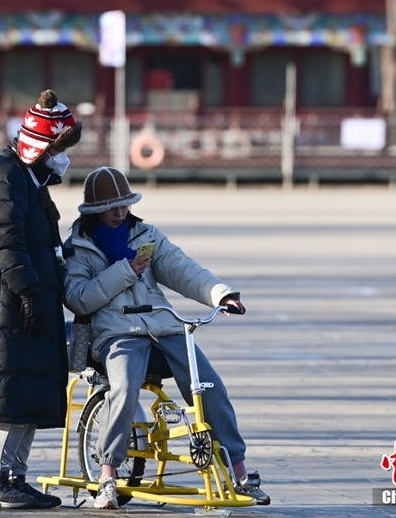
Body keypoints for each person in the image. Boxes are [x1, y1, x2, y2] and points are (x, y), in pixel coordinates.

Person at [63, 167, 271, 509]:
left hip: (165, 327)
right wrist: (125, 271)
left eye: (125, 204)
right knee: (125, 388)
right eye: (112, 206)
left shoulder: (146, 234)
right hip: (117, 334)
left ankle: (240, 473)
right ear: (94, 209)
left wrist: (221, 295)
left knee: (209, 386)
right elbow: (78, 297)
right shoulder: (79, 247)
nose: (120, 212)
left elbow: (182, 268)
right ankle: (107, 476)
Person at [0, 89, 81, 510]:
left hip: (29, 298)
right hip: (6, 302)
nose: (65, 158)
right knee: (10, 394)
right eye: (60, 149)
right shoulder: (5, 175)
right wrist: (30, 293)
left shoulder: (31, 180)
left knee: (29, 392)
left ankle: (16, 476)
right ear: (41, 146)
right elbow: (5, 242)